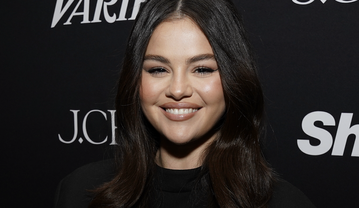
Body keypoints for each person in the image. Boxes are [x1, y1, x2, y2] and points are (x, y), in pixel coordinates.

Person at [54, 0, 316, 207]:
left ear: (234, 78)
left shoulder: (283, 203)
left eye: (202, 69)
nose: (178, 90)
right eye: (158, 69)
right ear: (134, 79)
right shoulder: (80, 191)